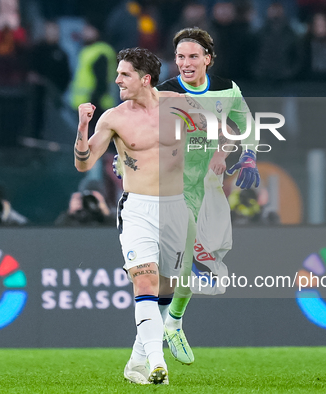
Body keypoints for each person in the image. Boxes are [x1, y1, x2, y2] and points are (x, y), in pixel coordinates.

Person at [74, 47, 199, 385]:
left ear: (145, 79)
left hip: (176, 206)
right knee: (144, 280)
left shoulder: (179, 105)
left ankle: (137, 362)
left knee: (167, 287)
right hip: (137, 208)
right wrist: (83, 127)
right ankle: (158, 364)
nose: (117, 80)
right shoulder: (114, 117)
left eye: (125, 74)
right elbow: (83, 162)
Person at [155, 27, 261, 365]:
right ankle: (159, 331)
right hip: (170, 188)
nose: (186, 63)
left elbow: (245, 126)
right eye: (180, 57)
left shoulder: (226, 90)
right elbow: (136, 132)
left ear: (207, 59)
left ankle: (171, 321)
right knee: (179, 260)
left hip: (210, 189)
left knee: (201, 264)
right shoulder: (162, 94)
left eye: (193, 57)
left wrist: (243, 154)